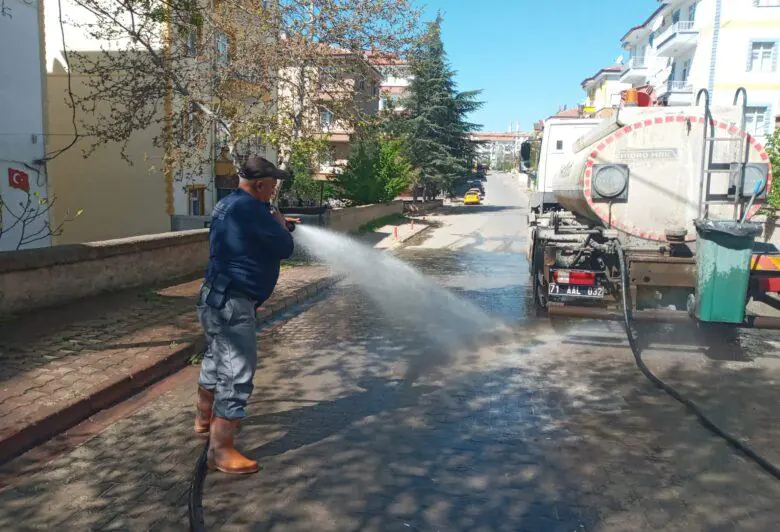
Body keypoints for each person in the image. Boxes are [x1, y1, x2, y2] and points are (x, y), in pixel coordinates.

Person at [194, 155, 294, 475]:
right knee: (238, 372)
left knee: (214, 358)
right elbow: (284, 247)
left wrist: (279, 223)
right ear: (260, 184)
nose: (274, 191)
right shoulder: (251, 208)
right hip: (233, 301)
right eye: (273, 185)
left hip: (214, 295)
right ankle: (221, 450)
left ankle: (203, 418)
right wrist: (281, 227)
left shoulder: (230, 203)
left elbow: (256, 235)